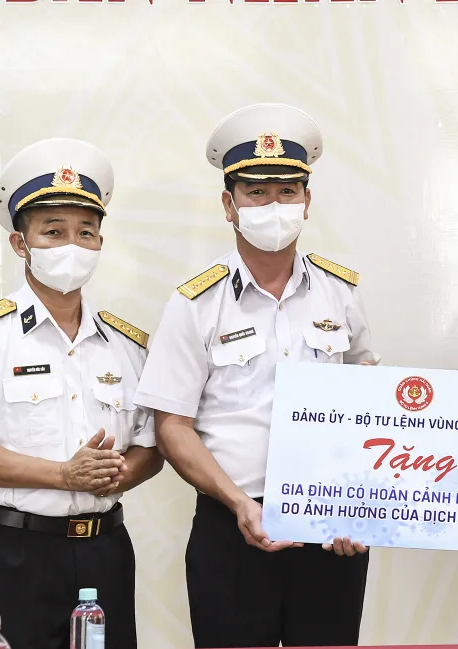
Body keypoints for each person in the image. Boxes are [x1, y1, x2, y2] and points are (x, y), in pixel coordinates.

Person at [133, 103, 379, 649]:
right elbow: (172, 425)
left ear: (307, 201)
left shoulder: (341, 293)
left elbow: (366, 403)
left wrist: (358, 501)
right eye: (257, 192)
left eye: (287, 191)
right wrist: (240, 504)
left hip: (330, 528)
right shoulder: (195, 302)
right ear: (230, 204)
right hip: (232, 525)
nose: (274, 205)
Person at [0, 138, 162, 649]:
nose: (72, 245)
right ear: (20, 243)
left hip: (104, 551)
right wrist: (63, 475)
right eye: (53, 232)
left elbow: (151, 445)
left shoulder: (127, 344)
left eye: (85, 232)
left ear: (100, 242)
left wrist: (121, 472)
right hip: (12, 552)